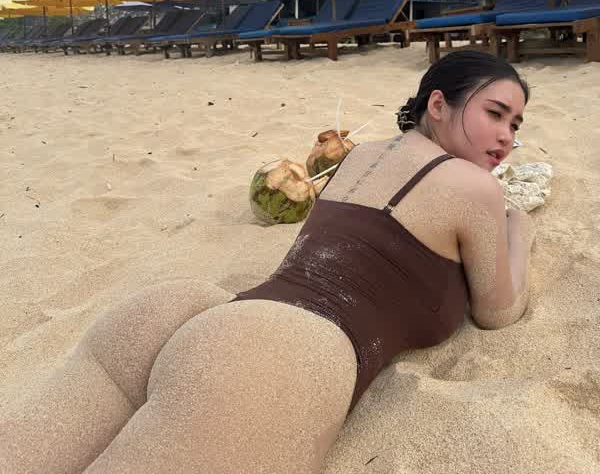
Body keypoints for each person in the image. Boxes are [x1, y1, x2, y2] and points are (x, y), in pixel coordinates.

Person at [0, 50, 536, 474]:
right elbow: (499, 311)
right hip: (278, 354)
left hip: (183, 312)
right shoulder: (473, 187)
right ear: (437, 105)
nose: (507, 137)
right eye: (494, 114)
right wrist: (520, 229)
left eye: (516, 125)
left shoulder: (364, 155)